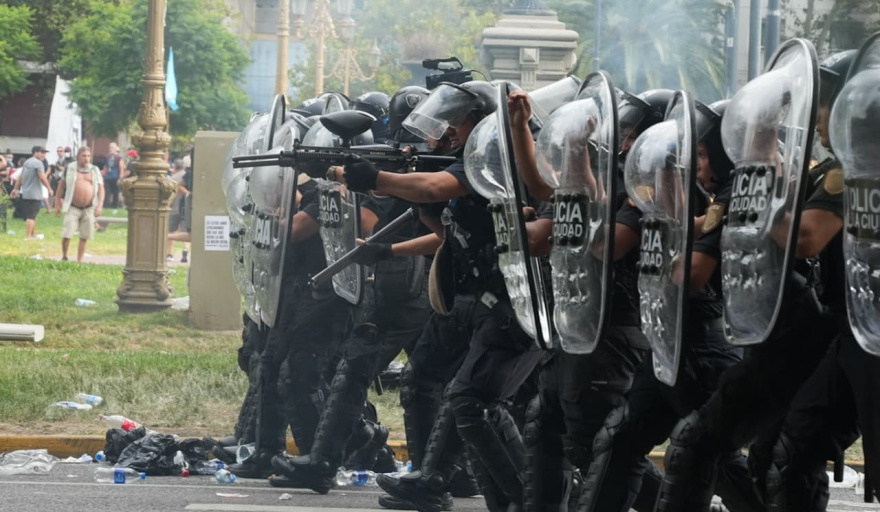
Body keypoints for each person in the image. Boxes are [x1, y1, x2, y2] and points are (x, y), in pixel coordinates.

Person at [342, 80, 549, 512]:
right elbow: (452, 236)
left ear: (483, 122)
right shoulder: (468, 162)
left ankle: (522, 498)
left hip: (504, 300)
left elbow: (433, 188)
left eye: (458, 121)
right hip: (465, 298)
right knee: (423, 379)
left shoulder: (494, 162)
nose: (450, 130)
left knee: (471, 400)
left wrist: (378, 178)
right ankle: (427, 479)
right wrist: (390, 249)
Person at [654, 44, 841, 512]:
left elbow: (805, 239)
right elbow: (710, 227)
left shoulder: (844, 174)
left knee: (786, 459)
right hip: (788, 333)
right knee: (758, 456)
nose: (816, 119)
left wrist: (758, 203)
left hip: (822, 334)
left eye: (824, 105)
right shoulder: (809, 176)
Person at [54, 148, 104, 262]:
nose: (86, 158)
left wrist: (100, 205)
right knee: (67, 234)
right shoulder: (70, 168)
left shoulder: (94, 170)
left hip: (89, 207)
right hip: (73, 206)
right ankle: (65, 256)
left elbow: (101, 188)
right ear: (78, 157)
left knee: (84, 236)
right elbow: (61, 186)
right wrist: (57, 202)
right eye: (84, 156)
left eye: (88, 156)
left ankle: (80, 260)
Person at [10, 145, 51, 239]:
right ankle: (28, 237)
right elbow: (42, 177)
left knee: (32, 214)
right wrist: (49, 188)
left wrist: (15, 189)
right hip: (34, 194)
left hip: (25, 193)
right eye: (41, 152)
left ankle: (33, 234)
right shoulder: (38, 163)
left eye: (44, 153)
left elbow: (20, 177)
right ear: (35, 152)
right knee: (31, 217)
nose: (43, 155)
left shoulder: (27, 162)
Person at [166, 159, 190, 262]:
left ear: (174, 167)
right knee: (186, 231)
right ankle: (185, 249)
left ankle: (170, 254)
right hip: (187, 208)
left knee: (171, 231)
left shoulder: (172, 179)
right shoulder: (189, 176)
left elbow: (170, 194)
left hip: (175, 208)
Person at [103, 142, 126, 208]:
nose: (110, 149)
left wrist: (120, 178)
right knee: (107, 192)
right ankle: (106, 206)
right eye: (110, 148)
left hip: (115, 177)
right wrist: (104, 174)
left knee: (116, 193)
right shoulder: (107, 157)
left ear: (115, 148)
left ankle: (115, 206)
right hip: (108, 177)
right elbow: (105, 166)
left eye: (112, 148)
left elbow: (121, 168)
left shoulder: (118, 158)